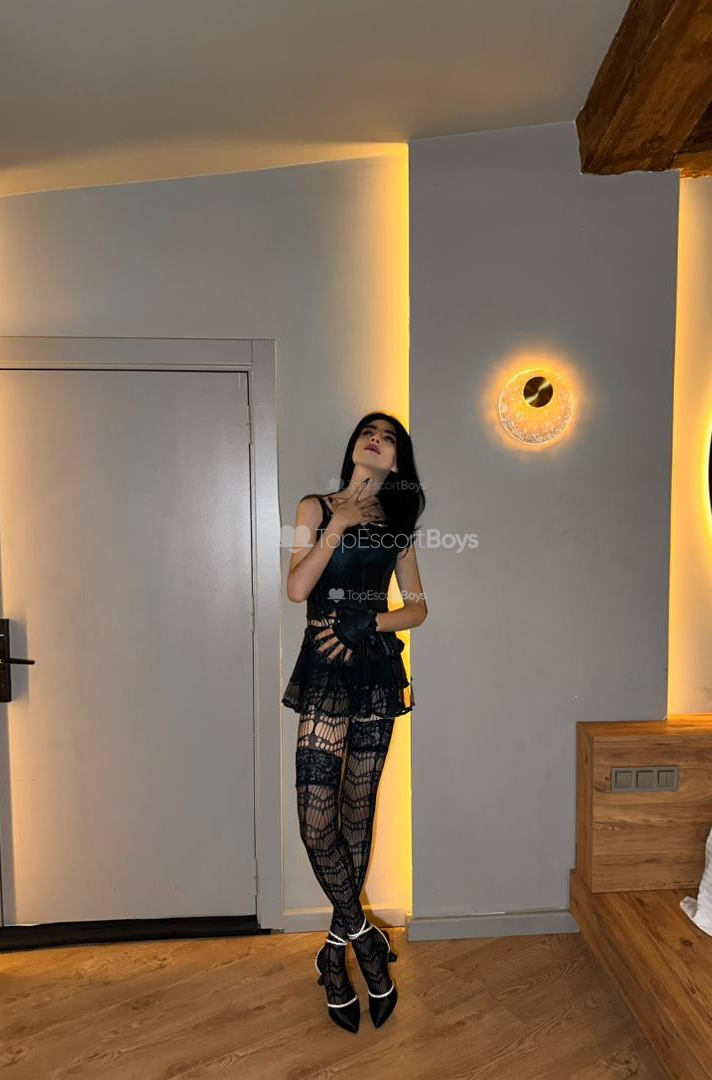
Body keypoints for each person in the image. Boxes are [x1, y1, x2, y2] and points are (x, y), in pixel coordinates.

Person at [282, 412, 427, 1032]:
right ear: (353, 446)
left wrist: (369, 622)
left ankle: (334, 957)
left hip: (373, 669)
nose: (377, 439)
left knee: (356, 816)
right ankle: (365, 940)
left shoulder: (399, 528)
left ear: (396, 461)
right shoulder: (313, 508)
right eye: (370, 431)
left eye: (389, 437)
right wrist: (338, 525)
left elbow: (417, 609)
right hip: (323, 668)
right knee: (317, 822)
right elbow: (296, 588)